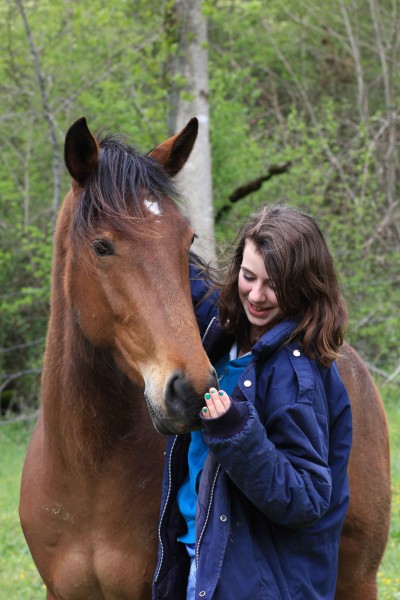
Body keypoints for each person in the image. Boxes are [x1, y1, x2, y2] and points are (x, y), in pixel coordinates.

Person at [152, 204, 352, 600]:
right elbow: (159, 262)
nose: (256, 296)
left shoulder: (296, 375)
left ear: (302, 286)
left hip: (251, 583)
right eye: (248, 276)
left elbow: (309, 496)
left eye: (273, 285)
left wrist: (235, 432)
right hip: (203, 554)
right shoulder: (227, 333)